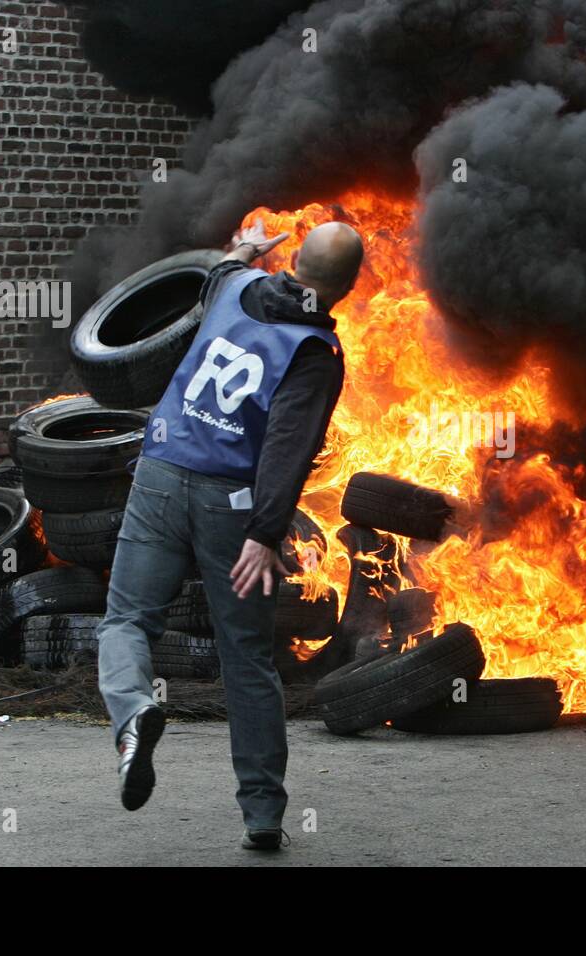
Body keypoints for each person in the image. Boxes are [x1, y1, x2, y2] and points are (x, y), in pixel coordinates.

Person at [96, 220, 365, 851]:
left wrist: (247, 246)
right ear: (349, 287)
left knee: (127, 620)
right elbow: (287, 449)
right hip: (232, 504)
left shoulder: (235, 284)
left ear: (293, 259)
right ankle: (262, 814)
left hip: (162, 469)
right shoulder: (314, 353)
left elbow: (222, 266)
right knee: (245, 659)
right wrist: (265, 533)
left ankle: (133, 710)